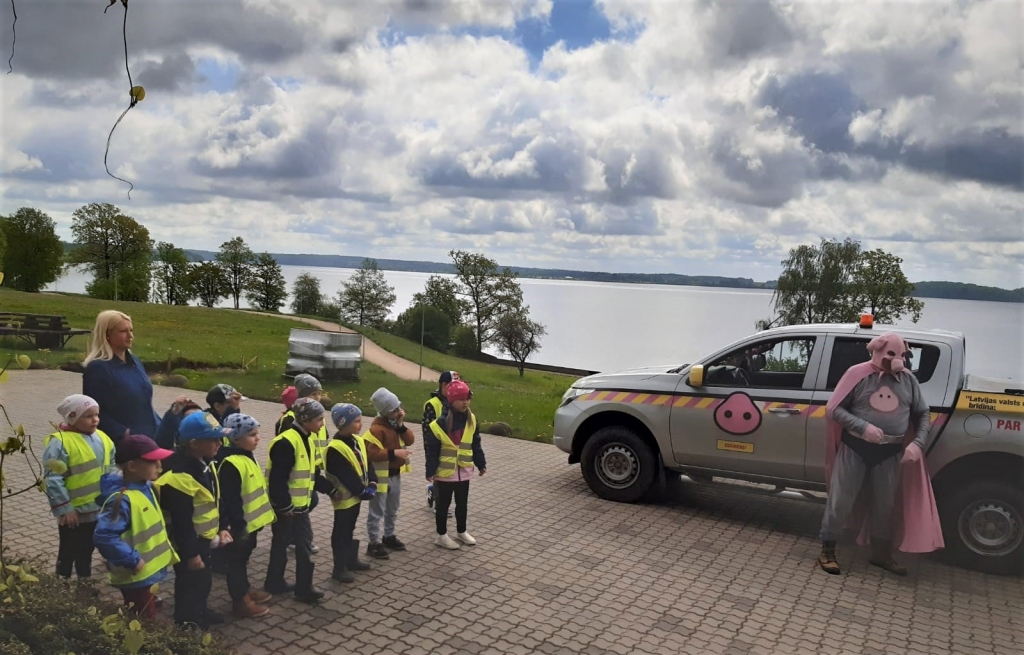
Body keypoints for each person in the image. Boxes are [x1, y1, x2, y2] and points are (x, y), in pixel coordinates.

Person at [818, 332, 942, 576]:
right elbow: (834, 408)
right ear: (877, 350)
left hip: (890, 452)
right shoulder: (857, 374)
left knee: (885, 505)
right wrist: (862, 427)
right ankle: (828, 549)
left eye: (903, 355)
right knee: (841, 500)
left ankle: (881, 554)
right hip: (855, 447)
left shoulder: (908, 380)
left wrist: (917, 443)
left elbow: (922, 413)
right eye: (892, 354)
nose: (898, 361)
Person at [155, 412, 232, 628]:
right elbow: (182, 522)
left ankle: (201, 611)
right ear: (194, 444)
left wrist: (222, 526)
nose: (220, 443)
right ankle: (186, 622)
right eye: (214, 439)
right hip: (190, 543)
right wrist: (191, 554)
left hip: (204, 537)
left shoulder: (206, 462)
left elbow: (216, 497)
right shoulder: (179, 476)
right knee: (189, 584)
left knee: (203, 581)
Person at [94, 434, 177, 619]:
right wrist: (131, 559)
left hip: (145, 573)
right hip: (135, 574)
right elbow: (104, 536)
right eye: (153, 462)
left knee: (145, 614)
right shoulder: (121, 499)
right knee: (143, 621)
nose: (159, 466)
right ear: (132, 466)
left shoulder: (144, 485)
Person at [264, 398, 333, 604]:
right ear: (305, 420)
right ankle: (286, 585)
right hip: (287, 508)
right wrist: (284, 505)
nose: (322, 424)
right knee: (287, 544)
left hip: (300, 506)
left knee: (298, 543)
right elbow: (277, 479)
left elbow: (312, 474)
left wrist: (330, 489)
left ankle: (295, 585)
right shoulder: (286, 443)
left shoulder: (307, 439)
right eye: (319, 419)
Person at [42, 394, 116, 579]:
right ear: (72, 418)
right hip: (74, 513)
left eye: (96, 414)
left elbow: (111, 466)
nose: (95, 420)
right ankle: (62, 582)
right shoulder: (60, 442)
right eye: (88, 416)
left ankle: (84, 581)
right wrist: (64, 508)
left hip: (96, 508)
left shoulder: (103, 437)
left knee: (86, 549)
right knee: (68, 550)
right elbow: (53, 479)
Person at [218, 414, 275, 618]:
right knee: (236, 563)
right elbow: (231, 499)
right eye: (252, 435)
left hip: (250, 524)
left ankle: (245, 589)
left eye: (257, 433)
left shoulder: (245, 455)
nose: (258, 438)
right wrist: (238, 526)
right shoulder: (230, 463)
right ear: (235, 438)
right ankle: (240, 601)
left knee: (243, 560)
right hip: (239, 526)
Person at [424, 380, 487, 550]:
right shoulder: (438, 425)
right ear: (452, 401)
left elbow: (476, 444)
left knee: (462, 504)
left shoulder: (472, 420)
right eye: (461, 399)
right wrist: (430, 471)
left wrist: (481, 463)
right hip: (445, 474)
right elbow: (432, 451)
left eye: (467, 399)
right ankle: (441, 536)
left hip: (464, 471)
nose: (465, 402)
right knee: (443, 506)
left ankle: (461, 531)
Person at [82, 310, 160, 444]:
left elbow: (144, 403)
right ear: (107, 335)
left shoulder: (135, 361)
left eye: (131, 330)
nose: (130, 336)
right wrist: (123, 433)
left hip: (151, 436)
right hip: (126, 444)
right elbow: (94, 412)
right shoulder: (98, 368)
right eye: (123, 331)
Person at [322, 403, 377, 583]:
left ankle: (350, 560)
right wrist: (362, 491)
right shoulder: (335, 448)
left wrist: (373, 482)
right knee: (341, 531)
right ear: (343, 424)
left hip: (357, 497)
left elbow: (368, 463)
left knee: (350, 528)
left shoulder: (358, 441)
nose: (361, 424)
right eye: (356, 421)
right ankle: (339, 568)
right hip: (345, 498)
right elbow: (346, 474)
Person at [363, 388, 414, 559]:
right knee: (377, 511)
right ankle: (373, 542)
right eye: (394, 410)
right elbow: (372, 453)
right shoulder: (377, 430)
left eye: (399, 407)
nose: (399, 412)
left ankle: (389, 535)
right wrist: (394, 453)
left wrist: (401, 425)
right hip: (380, 477)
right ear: (385, 412)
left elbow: (410, 440)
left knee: (392, 508)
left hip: (395, 475)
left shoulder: (395, 425)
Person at [276, 375, 325, 555]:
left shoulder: (316, 415)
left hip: (311, 468)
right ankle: (293, 538)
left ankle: (295, 537)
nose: (317, 397)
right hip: (298, 472)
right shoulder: (291, 419)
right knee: (305, 504)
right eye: (313, 394)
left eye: (319, 393)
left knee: (308, 503)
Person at [423, 371, 459, 514]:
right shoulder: (432, 405)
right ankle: (440, 506)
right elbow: (427, 431)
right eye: (452, 386)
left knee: (449, 477)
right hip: (436, 446)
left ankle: (433, 491)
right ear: (444, 385)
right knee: (440, 476)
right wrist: (429, 453)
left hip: (452, 448)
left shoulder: (456, 403)